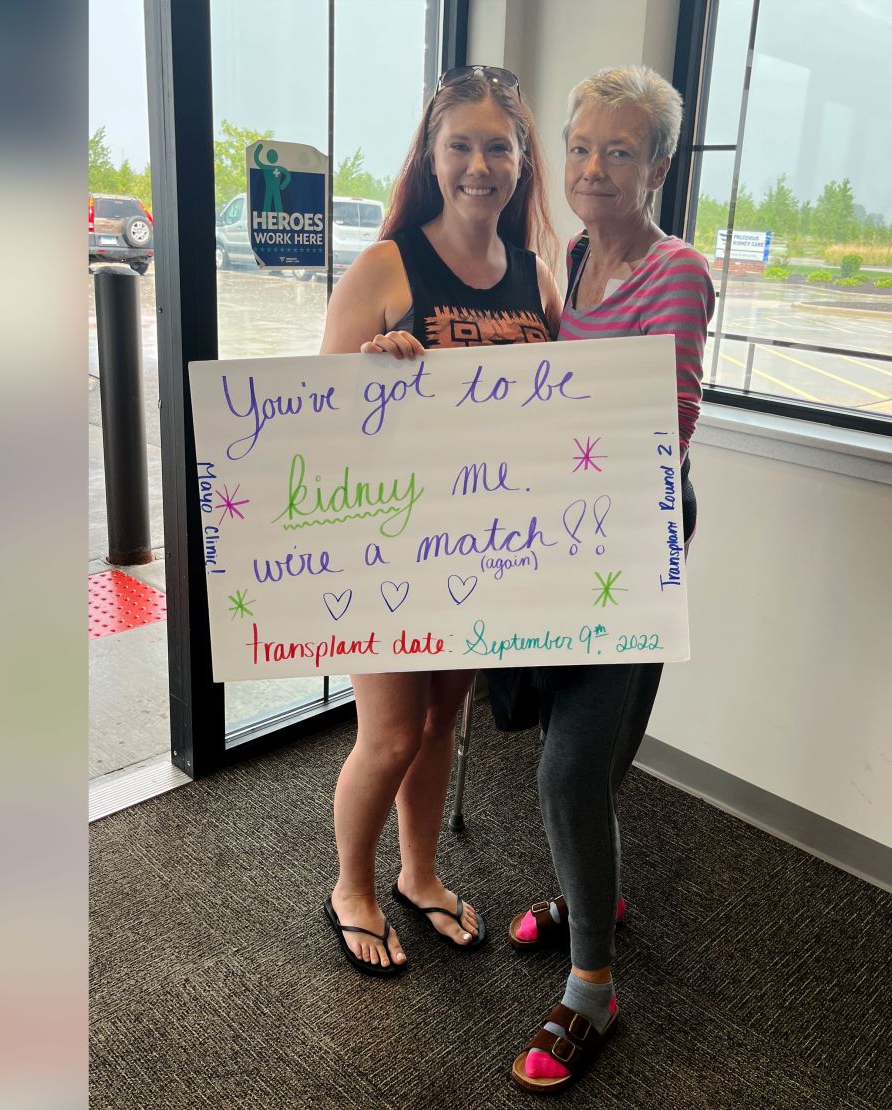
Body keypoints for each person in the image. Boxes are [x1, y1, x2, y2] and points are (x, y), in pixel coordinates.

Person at [318, 65, 561, 977]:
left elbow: (556, 414)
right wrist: (374, 377)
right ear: (432, 154)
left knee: (440, 726)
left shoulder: (537, 275)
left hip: (478, 551)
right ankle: (352, 887)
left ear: (520, 159)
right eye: (460, 144)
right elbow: (313, 429)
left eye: (498, 145)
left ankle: (419, 875)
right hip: (384, 547)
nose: (479, 164)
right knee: (385, 734)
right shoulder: (386, 266)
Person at [502, 65, 715, 1092]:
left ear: (659, 166)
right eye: (581, 147)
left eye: (618, 151)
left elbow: (661, 427)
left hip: (631, 535)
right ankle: (598, 898)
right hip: (561, 532)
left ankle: (594, 984)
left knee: (570, 766)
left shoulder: (678, 272)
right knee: (577, 747)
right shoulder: (571, 258)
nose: (592, 168)